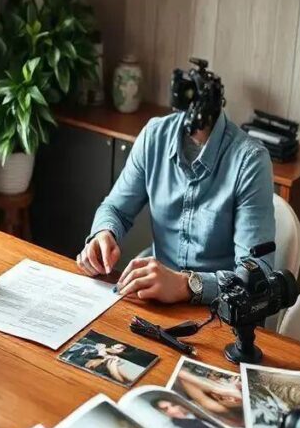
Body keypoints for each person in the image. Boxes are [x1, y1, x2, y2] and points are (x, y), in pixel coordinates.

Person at [74, 72, 274, 305]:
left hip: (220, 311)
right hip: (154, 300)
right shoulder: (154, 137)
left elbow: (257, 276)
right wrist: (103, 234)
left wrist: (186, 285)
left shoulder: (250, 162)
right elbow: (115, 209)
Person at [172, 368, 244, 428]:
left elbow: (181, 374)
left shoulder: (223, 409)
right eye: (223, 397)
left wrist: (217, 389)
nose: (229, 398)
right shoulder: (223, 406)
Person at [62, 338, 129, 383]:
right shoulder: (95, 346)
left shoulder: (111, 359)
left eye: (121, 348)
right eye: (120, 346)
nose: (120, 347)